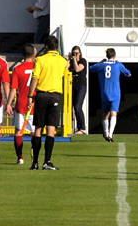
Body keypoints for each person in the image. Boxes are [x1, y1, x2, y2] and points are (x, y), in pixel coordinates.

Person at [27, 35, 68, 170]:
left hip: (41, 95)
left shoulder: (40, 59)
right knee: (51, 129)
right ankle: (47, 161)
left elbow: (35, 78)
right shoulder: (63, 61)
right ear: (56, 46)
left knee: (38, 128)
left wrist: (30, 95)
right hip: (55, 96)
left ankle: (35, 162)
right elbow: (65, 71)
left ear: (45, 46)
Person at [89, 48, 132, 142]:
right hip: (116, 93)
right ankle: (110, 134)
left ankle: (105, 133)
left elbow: (91, 68)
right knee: (113, 113)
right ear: (114, 55)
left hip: (104, 92)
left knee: (105, 114)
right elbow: (128, 74)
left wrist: (100, 62)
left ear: (106, 55)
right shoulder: (118, 65)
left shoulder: (101, 65)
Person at [6, 44, 36, 164]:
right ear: (34, 54)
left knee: (18, 132)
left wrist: (8, 103)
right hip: (34, 104)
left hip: (21, 104)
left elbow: (13, 89)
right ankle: (35, 153)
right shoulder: (38, 67)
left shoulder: (17, 69)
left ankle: (20, 157)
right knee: (35, 132)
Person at [68, 46, 88, 135]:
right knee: (70, 107)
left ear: (80, 53)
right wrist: (69, 60)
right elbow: (65, 69)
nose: (75, 55)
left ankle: (82, 128)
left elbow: (77, 69)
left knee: (77, 106)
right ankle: (72, 127)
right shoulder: (71, 62)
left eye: (77, 53)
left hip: (81, 86)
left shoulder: (82, 61)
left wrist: (75, 60)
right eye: (74, 53)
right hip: (72, 87)